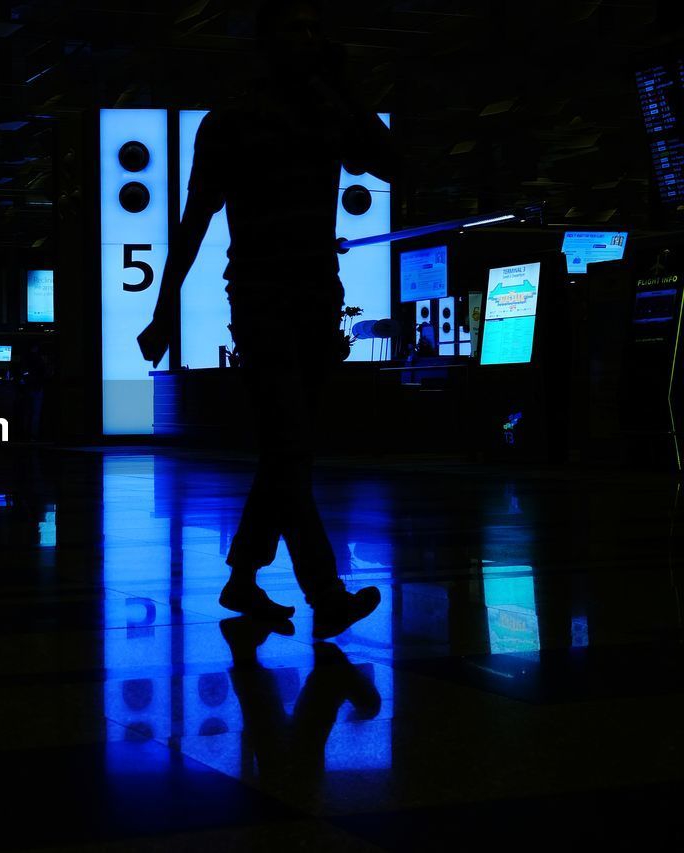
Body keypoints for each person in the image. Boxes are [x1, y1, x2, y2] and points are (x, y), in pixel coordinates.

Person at [137, 0, 396, 639]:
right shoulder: (233, 121)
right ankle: (325, 593)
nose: (307, 37)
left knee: (288, 449)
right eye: (294, 27)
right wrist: (164, 305)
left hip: (315, 294)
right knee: (291, 445)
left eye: (313, 26)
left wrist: (347, 89)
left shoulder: (326, 109)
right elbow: (195, 217)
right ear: (266, 44)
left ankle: (244, 576)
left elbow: (386, 160)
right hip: (261, 295)